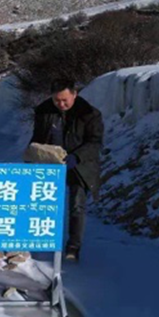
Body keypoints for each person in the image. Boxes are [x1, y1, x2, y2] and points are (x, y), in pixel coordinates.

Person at [28, 82, 103, 262]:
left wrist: (77, 156)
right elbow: (38, 137)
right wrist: (33, 154)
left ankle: (73, 247)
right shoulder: (44, 111)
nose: (61, 104)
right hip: (51, 162)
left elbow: (95, 142)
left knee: (77, 205)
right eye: (56, 100)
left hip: (79, 165)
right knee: (42, 202)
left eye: (65, 100)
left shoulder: (89, 113)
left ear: (74, 94)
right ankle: (38, 238)